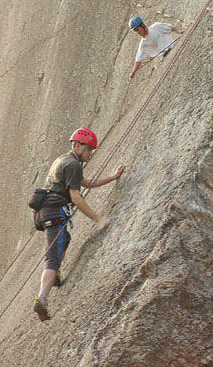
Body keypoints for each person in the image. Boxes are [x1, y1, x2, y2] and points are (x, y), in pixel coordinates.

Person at [33, 127, 125, 321]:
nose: (90, 153)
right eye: (89, 149)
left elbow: (86, 183)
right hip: (54, 211)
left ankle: (55, 276)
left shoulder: (63, 160)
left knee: (64, 239)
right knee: (53, 257)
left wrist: (112, 177)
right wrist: (98, 219)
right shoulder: (73, 164)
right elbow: (76, 197)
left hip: (46, 211)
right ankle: (42, 298)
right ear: (77, 145)